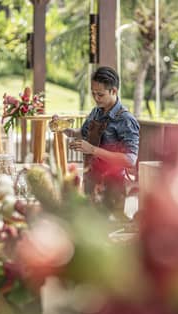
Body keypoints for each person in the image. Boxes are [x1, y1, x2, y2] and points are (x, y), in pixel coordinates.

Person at [64, 66, 140, 214]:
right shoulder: (96, 111)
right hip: (90, 181)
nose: (96, 98)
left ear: (114, 91)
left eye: (100, 94)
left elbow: (130, 160)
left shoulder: (126, 120)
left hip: (112, 187)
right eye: (93, 94)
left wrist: (92, 150)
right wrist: (64, 128)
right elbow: (82, 133)